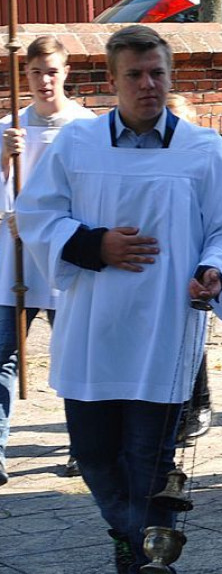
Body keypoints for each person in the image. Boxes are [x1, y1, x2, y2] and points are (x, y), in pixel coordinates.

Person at [14, 25, 222, 573]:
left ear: (170, 76)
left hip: (164, 329)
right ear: (112, 80)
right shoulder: (77, 144)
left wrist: (215, 271)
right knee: (95, 457)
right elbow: (37, 215)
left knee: (150, 463)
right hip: (93, 328)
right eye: (135, 75)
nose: (148, 84)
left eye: (157, 73)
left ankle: (146, 560)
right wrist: (94, 244)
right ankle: (136, 541)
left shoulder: (203, 150)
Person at [0, 36, 95, 486]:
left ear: (66, 72)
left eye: (52, 71)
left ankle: (84, 446)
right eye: (36, 72)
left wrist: (41, 224)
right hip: (13, 258)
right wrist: (4, 160)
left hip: (62, 254)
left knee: (74, 355)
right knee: (3, 355)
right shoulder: (9, 127)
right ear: (25, 75)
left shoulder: (86, 127)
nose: (44, 81)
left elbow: (93, 194)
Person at [165, 93, 214, 446]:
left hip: (195, 259)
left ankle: (199, 404)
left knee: (191, 337)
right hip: (159, 260)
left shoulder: (205, 157)